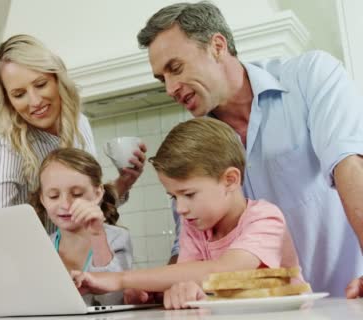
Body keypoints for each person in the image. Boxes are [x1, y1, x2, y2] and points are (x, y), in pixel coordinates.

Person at [135, 1, 363, 298]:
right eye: (161, 78)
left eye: (175, 68)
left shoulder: (311, 76)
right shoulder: (195, 143)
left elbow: (350, 167)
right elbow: (188, 244)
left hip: (347, 298)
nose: (169, 88)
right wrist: (160, 289)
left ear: (217, 45)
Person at [72, 117, 305, 309]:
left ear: (230, 180)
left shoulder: (265, 218)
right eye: (174, 197)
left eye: (189, 194)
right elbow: (185, 275)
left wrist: (119, 279)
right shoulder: (194, 227)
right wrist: (163, 291)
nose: (180, 209)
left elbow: (222, 271)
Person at [0, 34, 147, 232]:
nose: (35, 101)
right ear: (8, 101)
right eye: (19, 94)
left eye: (40, 84)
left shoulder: (79, 124)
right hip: (38, 261)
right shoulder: (7, 146)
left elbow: (86, 208)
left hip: (84, 257)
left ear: (57, 79)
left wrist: (124, 182)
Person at [30, 147, 133, 305]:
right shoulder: (42, 248)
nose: (65, 204)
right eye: (53, 196)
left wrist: (98, 236)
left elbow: (112, 300)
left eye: (77, 194)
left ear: (98, 194)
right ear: (43, 199)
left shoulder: (117, 238)